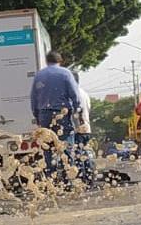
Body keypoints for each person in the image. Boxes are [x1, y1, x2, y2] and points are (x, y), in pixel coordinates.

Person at [30, 51, 80, 180]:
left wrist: (37, 115)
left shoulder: (39, 75)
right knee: (65, 143)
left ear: (47, 61)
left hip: (44, 114)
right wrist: (76, 109)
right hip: (61, 113)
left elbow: (33, 98)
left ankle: (51, 178)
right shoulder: (65, 73)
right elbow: (74, 93)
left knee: (47, 146)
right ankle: (68, 178)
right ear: (60, 61)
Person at [71, 71, 95, 183]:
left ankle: (81, 179)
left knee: (78, 155)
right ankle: (89, 177)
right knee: (84, 153)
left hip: (77, 129)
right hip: (86, 128)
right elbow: (88, 109)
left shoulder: (73, 94)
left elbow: (74, 111)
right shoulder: (84, 93)